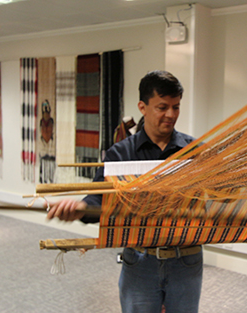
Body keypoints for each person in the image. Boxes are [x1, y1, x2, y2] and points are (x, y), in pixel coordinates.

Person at [47, 70, 203, 313]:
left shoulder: (195, 151)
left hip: (186, 258)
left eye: (176, 107)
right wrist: (80, 209)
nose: (171, 115)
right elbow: (99, 198)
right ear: (142, 106)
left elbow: (217, 193)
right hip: (140, 260)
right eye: (162, 107)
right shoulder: (120, 154)